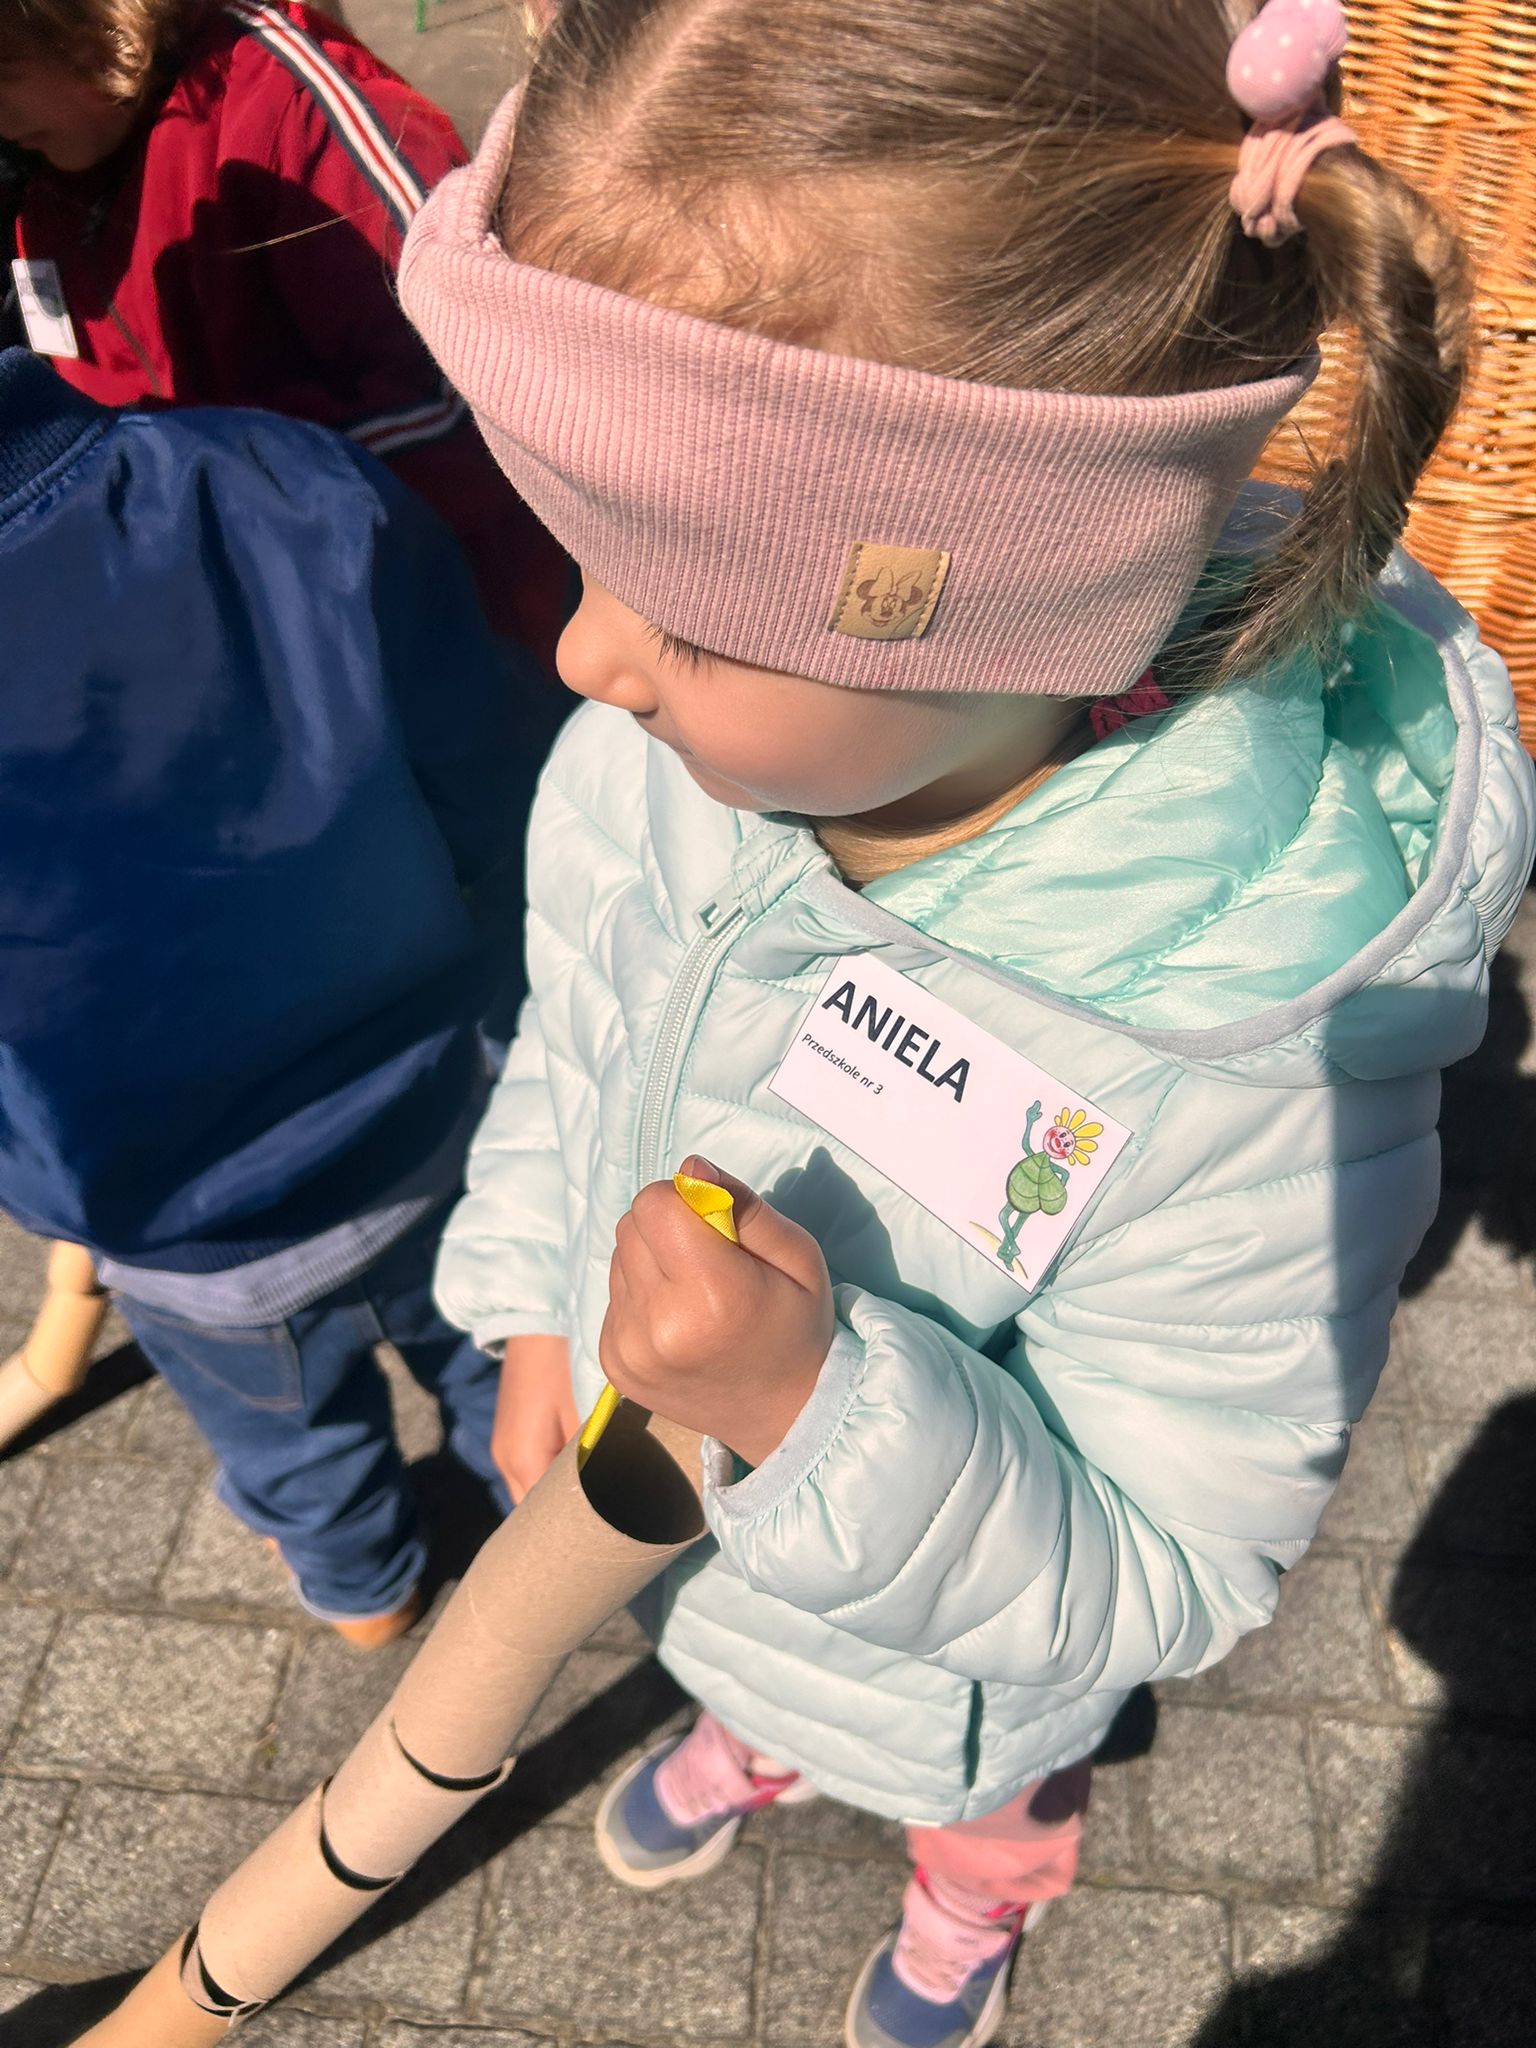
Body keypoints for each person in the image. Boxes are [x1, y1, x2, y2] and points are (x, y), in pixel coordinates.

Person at [62, 3, 1536, 2046]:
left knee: (973, 1800)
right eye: (586, 555)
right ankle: (749, 1730)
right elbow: (579, 1035)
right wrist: (536, 1303)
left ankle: (972, 1899)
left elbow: (1167, 1564)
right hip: (712, 1562)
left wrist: (811, 1405)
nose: (585, 655)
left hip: (949, 1675)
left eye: (684, 603)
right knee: (740, 1669)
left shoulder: (1241, 1052)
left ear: (1006, 595)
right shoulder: (675, 762)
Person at [0, 343, 541, 1647]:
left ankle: (370, 1594)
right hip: (435, 1105)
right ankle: (520, 1508)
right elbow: (492, 785)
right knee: (490, 1346)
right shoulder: (280, 482)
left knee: (297, 1446)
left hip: (183, 1231)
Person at [0, 0, 568, 660]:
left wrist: (199, 504)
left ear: (72, 21)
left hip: (439, 637)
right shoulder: (43, 199)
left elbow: (471, 396)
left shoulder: (286, 108)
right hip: (251, 644)